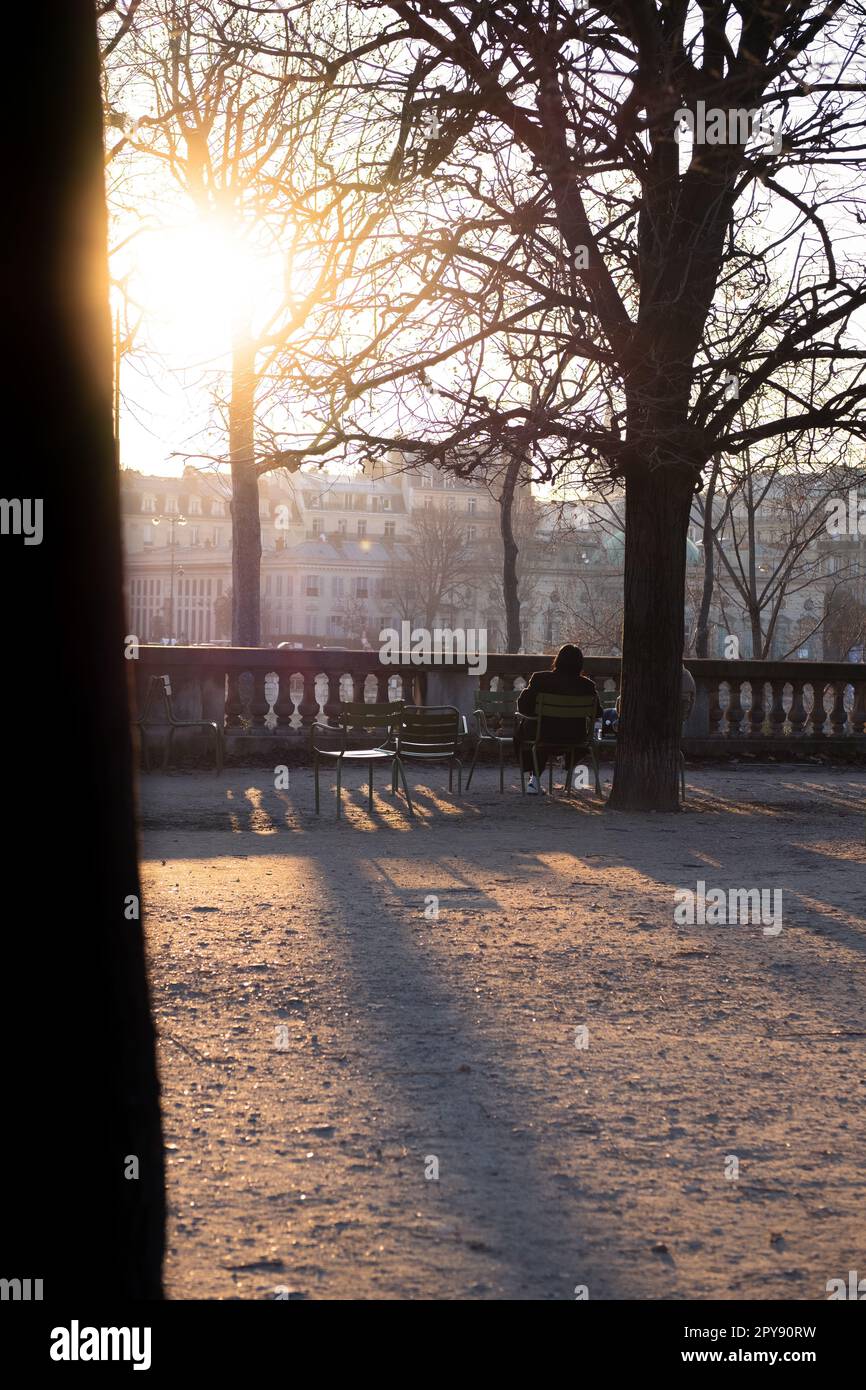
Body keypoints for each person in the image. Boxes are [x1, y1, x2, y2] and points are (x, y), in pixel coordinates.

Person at [514, 644, 603, 794]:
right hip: (575, 737)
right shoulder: (587, 685)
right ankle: (567, 765)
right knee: (550, 729)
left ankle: (534, 780)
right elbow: (598, 713)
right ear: (580, 664)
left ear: (558, 660)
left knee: (530, 729)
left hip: (543, 734)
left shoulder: (540, 679)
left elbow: (523, 708)